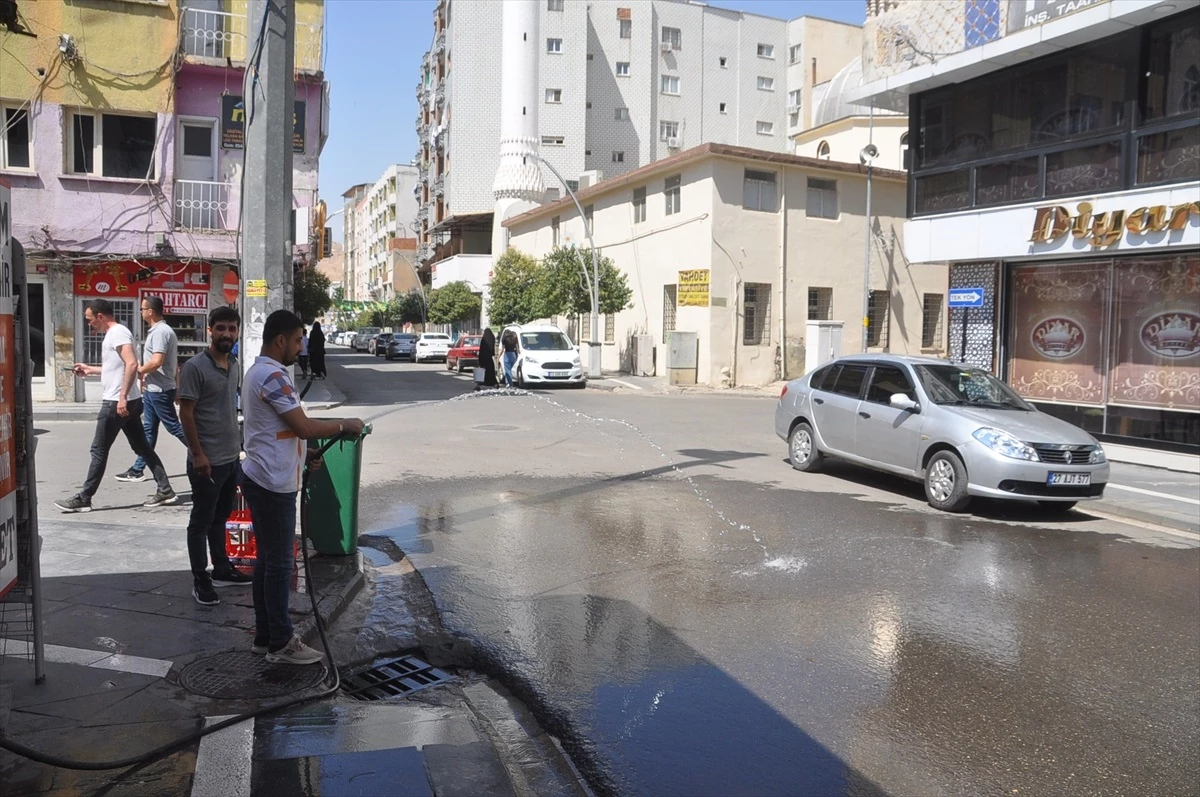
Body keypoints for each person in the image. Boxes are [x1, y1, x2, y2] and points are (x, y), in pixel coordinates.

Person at [241, 310, 364, 665]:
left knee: (268, 561)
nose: (301, 347)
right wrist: (344, 424)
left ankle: (265, 637)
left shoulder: (261, 372)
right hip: (272, 482)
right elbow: (303, 426)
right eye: (297, 340)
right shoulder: (272, 376)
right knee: (279, 564)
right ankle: (281, 642)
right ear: (280, 340)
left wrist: (304, 453)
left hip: (264, 475)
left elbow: (276, 431)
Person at [55, 299, 177, 512]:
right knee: (142, 447)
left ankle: (84, 498)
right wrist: (90, 370)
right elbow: (117, 367)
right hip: (128, 400)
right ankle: (165, 489)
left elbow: (131, 364)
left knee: (99, 450)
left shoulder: (118, 333)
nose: (89, 324)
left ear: (100, 316)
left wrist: (121, 397)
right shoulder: (115, 334)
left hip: (117, 402)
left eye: (90, 319)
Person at [178, 306, 252, 606]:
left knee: (221, 518)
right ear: (210, 330)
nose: (227, 334)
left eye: (232, 329)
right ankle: (201, 578)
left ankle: (222, 568)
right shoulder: (195, 367)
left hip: (230, 458)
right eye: (221, 328)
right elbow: (186, 414)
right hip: (206, 461)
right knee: (201, 521)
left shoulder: (234, 364)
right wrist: (197, 454)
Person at [116, 295, 186, 483]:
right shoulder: (159, 331)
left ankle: (204, 453)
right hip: (155, 388)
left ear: (151, 311)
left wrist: (138, 370)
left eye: (142, 309)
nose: (141, 312)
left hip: (159, 390)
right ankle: (138, 469)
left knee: (173, 427)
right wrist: (177, 387)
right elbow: (175, 364)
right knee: (149, 431)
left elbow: (157, 361)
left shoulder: (160, 332)